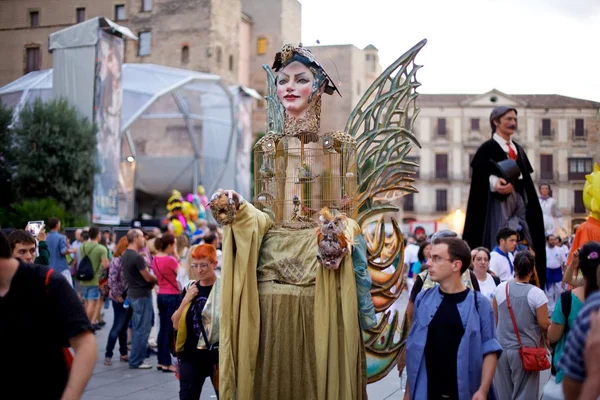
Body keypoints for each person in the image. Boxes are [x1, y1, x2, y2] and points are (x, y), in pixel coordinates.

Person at [211, 43, 378, 399]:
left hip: (319, 263)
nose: (289, 86)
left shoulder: (338, 146)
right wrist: (239, 208)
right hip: (270, 279)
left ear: (318, 87)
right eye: (282, 80)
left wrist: (339, 230)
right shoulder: (268, 147)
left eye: (301, 79)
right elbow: (264, 214)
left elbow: (347, 215)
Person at [0, 231, 97, 399]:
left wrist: (70, 396)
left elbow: (86, 344)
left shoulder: (48, 282)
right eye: (22, 251)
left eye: (31, 251)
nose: (29, 256)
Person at [405, 236, 501, 399]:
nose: (429, 263)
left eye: (436, 259)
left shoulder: (481, 305)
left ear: (456, 265)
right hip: (427, 391)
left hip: (465, 392)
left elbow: (490, 350)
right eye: (430, 258)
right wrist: (408, 393)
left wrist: (483, 390)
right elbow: (415, 351)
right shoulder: (423, 299)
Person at [463, 106, 546, 287]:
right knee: (497, 235)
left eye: (514, 119)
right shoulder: (487, 148)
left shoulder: (518, 150)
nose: (512, 123)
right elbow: (480, 176)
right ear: (496, 122)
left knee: (527, 237)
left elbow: (525, 179)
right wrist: (494, 183)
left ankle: (527, 276)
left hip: (520, 202)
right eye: (508, 119)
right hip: (496, 204)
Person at [492, 250, 550, 400]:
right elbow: (544, 324)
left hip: (502, 349)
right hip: (526, 352)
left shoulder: (500, 289)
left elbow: (495, 320)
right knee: (525, 394)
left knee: (503, 393)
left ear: (514, 267)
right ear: (532, 270)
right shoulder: (537, 294)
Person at [546, 241, 600, 398]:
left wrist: (574, 264)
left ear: (582, 268)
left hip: (569, 374)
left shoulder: (568, 299)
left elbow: (553, 336)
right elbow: (568, 279)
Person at [172, 244, 220, 399]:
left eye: (204, 265)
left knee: (226, 395)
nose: (199, 270)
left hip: (217, 356)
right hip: (191, 355)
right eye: (195, 266)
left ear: (214, 264)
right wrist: (186, 299)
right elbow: (175, 322)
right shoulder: (189, 287)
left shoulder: (224, 288)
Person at [122, 228, 157, 369]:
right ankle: (136, 360)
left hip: (134, 294)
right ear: (135, 238)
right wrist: (157, 279)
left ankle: (136, 358)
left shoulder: (127, 254)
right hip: (142, 295)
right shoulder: (136, 257)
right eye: (142, 236)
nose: (144, 239)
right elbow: (148, 277)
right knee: (142, 329)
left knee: (138, 327)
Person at [152, 232, 181, 373]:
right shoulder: (171, 260)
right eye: (174, 244)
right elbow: (181, 275)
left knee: (162, 328)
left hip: (161, 294)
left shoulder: (155, 258)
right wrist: (176, 256)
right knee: (170, 330)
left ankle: (161, 361)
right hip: (172, 295)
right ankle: (168, 362)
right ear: (170, 245)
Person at [104, 236, 132, 366]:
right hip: (119, 297)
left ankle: (123, 353)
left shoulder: (126, 260)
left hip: (127, 296)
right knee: (117, 326)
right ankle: (108, 354)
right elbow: (112, 281)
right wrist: (119, 295)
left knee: (123, 327)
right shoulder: (116, 261)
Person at [79, 226, 109, 328]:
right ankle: (88, 325)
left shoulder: (82, 246)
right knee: (92, 302)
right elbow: (105, 265)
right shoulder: (101, 248)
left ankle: (85, 323)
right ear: (97, 235)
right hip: (94, 279)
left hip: (83, 277)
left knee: (86, 301)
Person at [46, 217, 77, 286]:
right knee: (69, 287)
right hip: (61, 267)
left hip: (49, 267)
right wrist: (73, 250)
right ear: (57, 225)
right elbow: (63, 251)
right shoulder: (61, 237)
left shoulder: (46, 237)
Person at [546, 234, 567, 313]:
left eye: (554, 239)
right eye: (551, 239)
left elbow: (564, 264)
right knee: (549, 292)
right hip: (548, 272)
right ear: (547, 241)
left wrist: (564, 277)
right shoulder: (545, 250)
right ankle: (550, 310)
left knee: (559, 291)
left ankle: (558, 309)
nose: (553, 241)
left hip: (557, 272)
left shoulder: (560, 250)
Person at [404, 226, 428, 293]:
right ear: (415, 235)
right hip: (412, 278)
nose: (421, 235)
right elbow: (405, 263)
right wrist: (403, 278)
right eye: (418, 233)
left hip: (427, 279)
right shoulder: (410, 248)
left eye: (422, 233)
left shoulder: (429, 246)